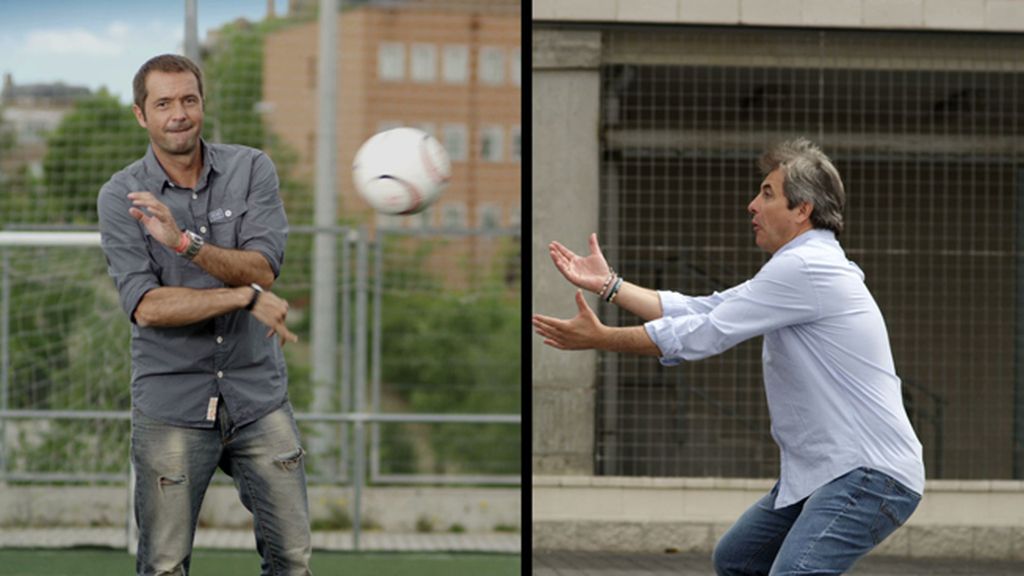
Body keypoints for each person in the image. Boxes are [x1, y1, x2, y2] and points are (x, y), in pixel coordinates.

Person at [532, 138, 925, 575]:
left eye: (767, 193)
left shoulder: (808, 268)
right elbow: (706, 308)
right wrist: (610, 286)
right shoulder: (796, 267)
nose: (752, 205)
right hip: (829, 472)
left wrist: (604, 338)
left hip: (869, 474)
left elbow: (706, 333)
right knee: (739, 560)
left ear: (803, 209)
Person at [97, 54, 312, 576]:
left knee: (292, 561)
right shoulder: (119, 197)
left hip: (258, 399)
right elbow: (147, 307)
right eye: (163, 103)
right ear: (140, 115)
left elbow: (264, 265)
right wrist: (242, 296)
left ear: (202, 105)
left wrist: (184, 244)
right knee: (165, 567)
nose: (179, 113)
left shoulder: (251, 168)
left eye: (188, 100)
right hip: (172, 404)